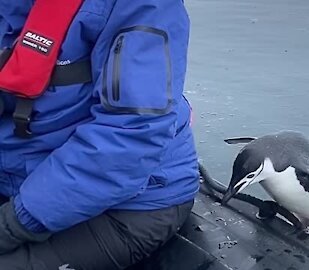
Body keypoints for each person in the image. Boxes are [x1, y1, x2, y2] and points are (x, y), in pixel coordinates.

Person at [0, 0, 199, 269]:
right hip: (21, 173)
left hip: (130, 204)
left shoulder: (144, 7)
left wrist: (13, 223)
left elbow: (131, 136)